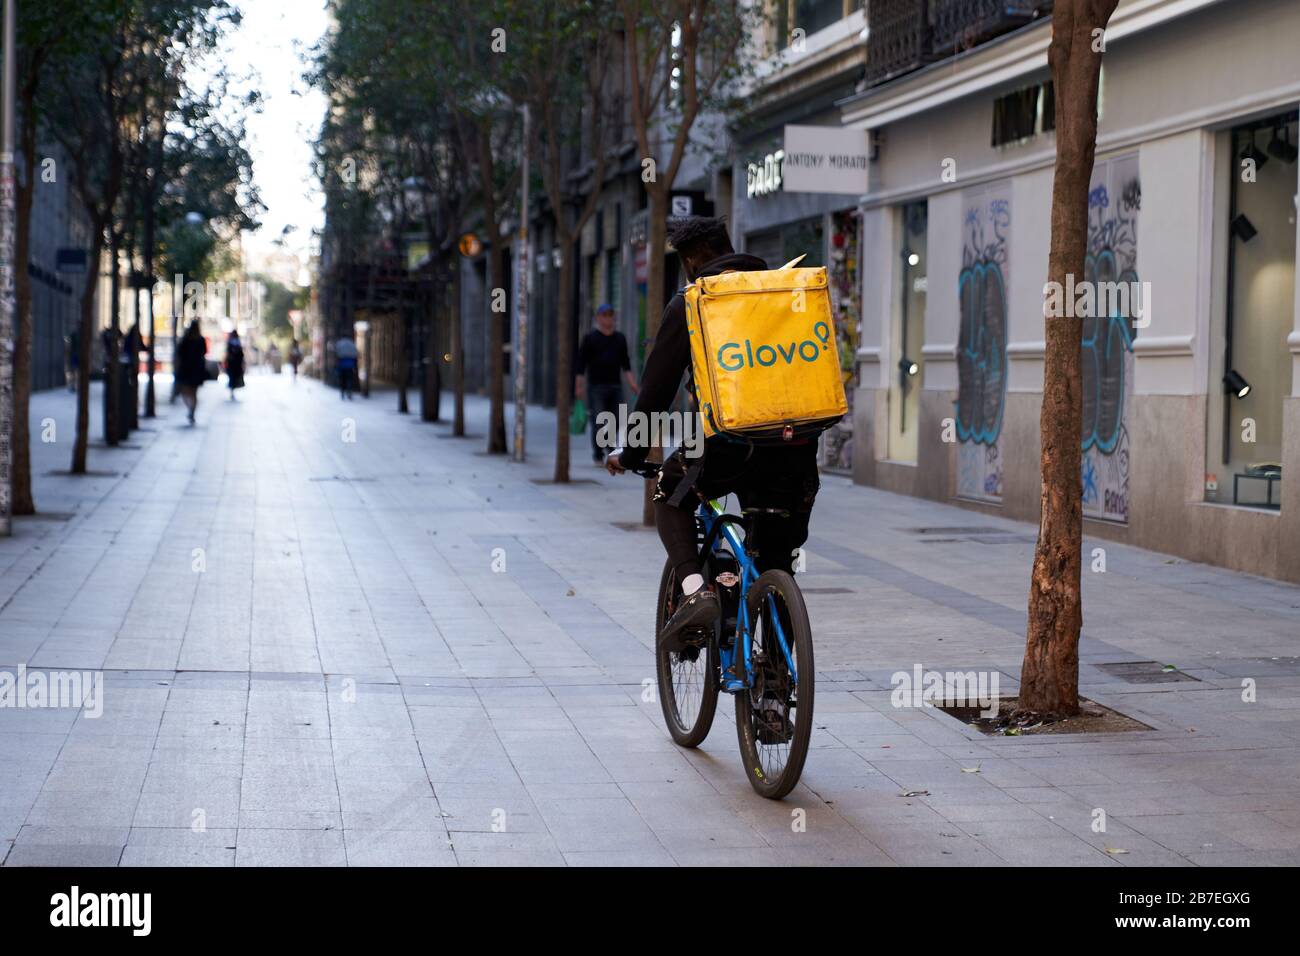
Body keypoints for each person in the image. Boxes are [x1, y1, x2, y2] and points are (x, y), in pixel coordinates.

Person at [606, 216, 821, 647]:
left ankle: (695, 590)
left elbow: (654, 396)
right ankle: (776, 700)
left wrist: (630, 456)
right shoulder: (782, 291)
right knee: (775, 561)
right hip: (797, 448)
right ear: (730, 245)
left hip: (728, 446)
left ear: (689, 262)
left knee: (669, 494)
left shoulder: (694, 301)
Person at [575, 303, 638, 464]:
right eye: (604, 315)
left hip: (615, 386)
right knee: (600, 420)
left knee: (615, 419)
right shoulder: (590, 339)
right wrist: (579, 386)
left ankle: (609, 447)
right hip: (596, 387)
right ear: (598, 318)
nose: (608, 318)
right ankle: (598, 452)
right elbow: (581, 365)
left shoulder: (620, 339)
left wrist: (633, 386)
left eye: (610, 315)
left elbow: (626, 364)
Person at [175, 320, 208, 425]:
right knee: (193, 393)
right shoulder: (200, 339)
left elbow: (179, 353)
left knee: (185, 391)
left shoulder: (186, 339)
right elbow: (204, 352)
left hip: (186, 369)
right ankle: (191, 411)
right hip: (196, 369)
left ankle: (191, 410)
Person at [335, 335, 359, 400]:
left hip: (342, 366)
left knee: (342, 380)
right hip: (350, 366)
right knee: (349, 379)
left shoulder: (339, 343)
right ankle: (349, 391)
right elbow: (356, 354)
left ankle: (342, 392)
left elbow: (336, 353)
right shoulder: (351, 344)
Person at [225, 331, 246, 400]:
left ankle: (232, 390)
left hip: (234, 364)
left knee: (233, 378)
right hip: (234, 364)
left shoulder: (232, 343)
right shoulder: (235, 344)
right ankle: (232, 390)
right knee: (233, 378)